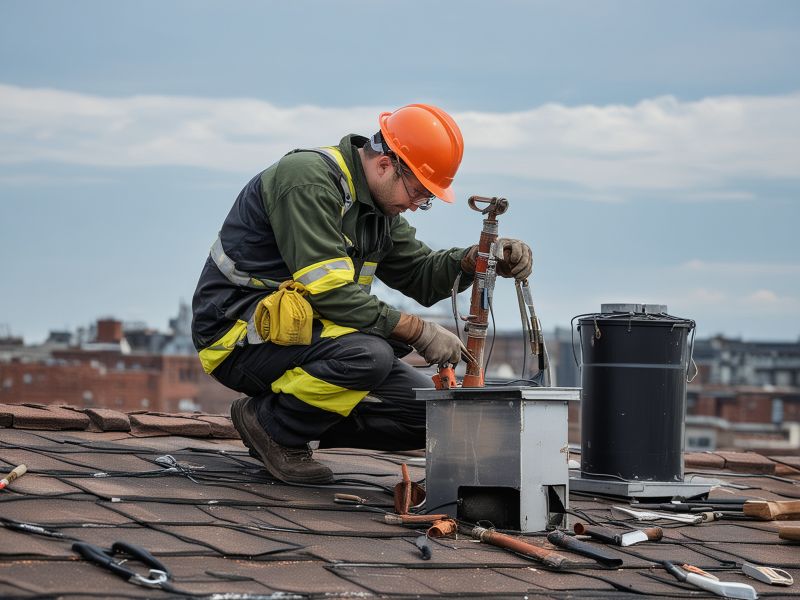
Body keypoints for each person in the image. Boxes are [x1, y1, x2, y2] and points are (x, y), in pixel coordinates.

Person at [191, 104, 532, 484]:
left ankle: (287, 422)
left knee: (435, 418)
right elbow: (331, 292)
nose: (417, 205)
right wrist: (417, 331)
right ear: (386, 164)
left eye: (426, 198)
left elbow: (421, 275)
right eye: (418, 192)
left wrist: (473, 260)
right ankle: (273, 427)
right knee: (370, 355)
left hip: (313, 340)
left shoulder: (377, 212)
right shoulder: (307, 180)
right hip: (239, 335)